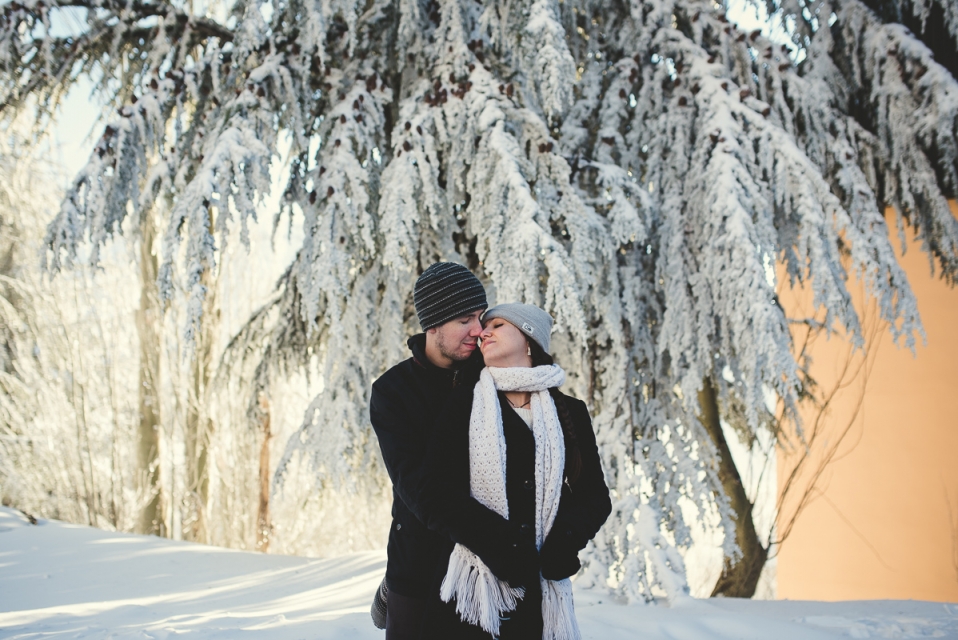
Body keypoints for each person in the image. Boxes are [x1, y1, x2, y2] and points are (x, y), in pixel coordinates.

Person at [415, 303, 613, 640]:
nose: (483, 332)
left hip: (539, 593)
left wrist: (564, 544)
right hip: (471, 595)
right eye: (484, 326)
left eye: (499, 325)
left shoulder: (570, 412)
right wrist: (500, 545)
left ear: (529, 339)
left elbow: (594, 496)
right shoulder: (464, 404)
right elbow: (434, 493)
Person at [370, 261, 504, 639]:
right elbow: (419, 490)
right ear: (432, 325)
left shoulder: (495, 374)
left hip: (489, 573)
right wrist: (501, 543)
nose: (478, 330)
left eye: (481, 317)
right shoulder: (392, 392)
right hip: (419, 569)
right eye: (464, 319)